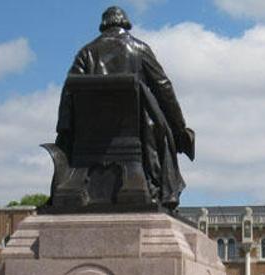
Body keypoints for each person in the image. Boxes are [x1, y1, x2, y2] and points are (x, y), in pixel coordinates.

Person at [53, 6, 195, 210]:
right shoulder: (139, 49)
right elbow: (163, 87)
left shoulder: (86, 52)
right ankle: (162, 191)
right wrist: (179, 127)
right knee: (164, 133)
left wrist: (64, 128)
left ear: (103, 25)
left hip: (89, 137)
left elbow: (69, 90)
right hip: (136, 134)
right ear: (125, 24)